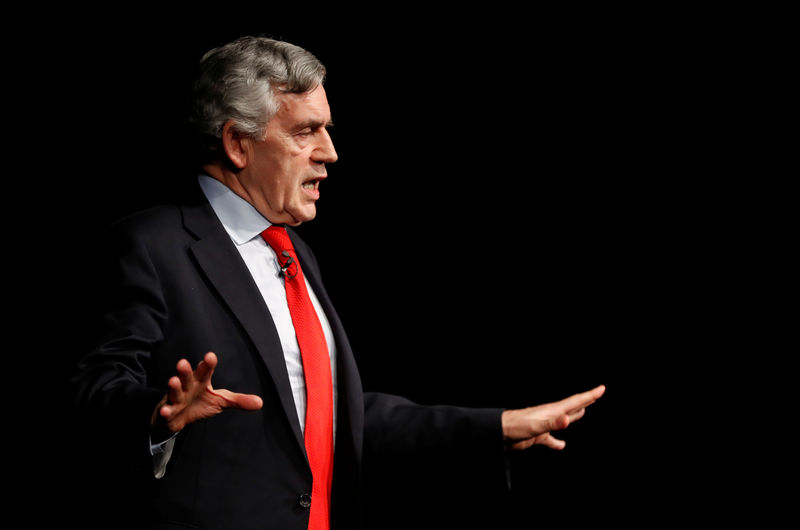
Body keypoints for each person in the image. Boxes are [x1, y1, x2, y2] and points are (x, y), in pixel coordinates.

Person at [72, 36, 605, 529]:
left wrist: (494, 426)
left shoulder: (294, 252)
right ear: (237, 143)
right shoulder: (149, 243)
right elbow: (92, 391)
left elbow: (328, 412)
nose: (329, 152)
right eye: (305, 131)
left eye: (326, 130)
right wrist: (159, 416)